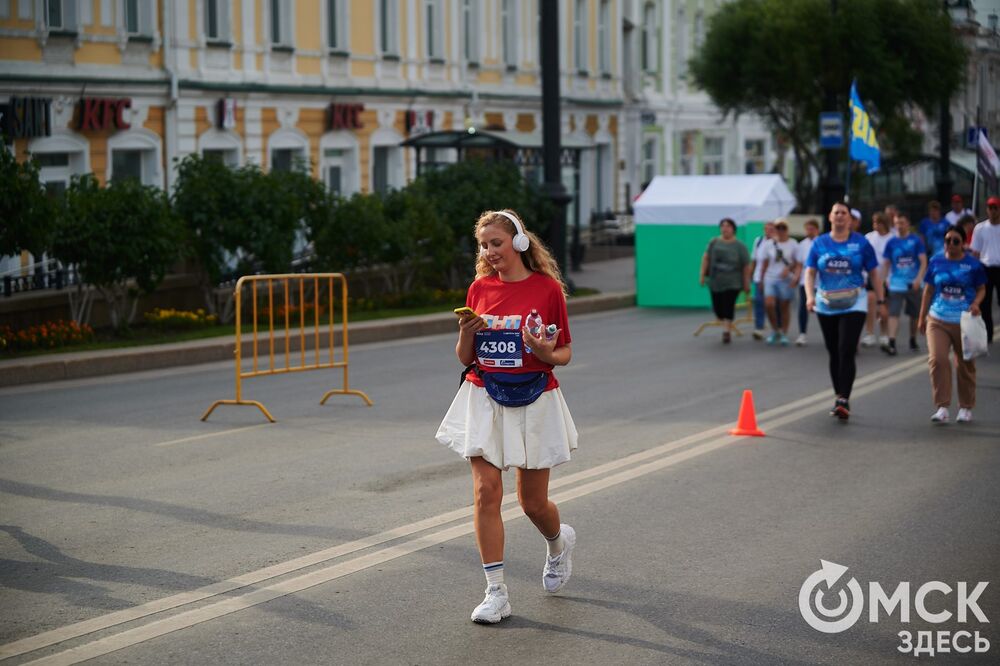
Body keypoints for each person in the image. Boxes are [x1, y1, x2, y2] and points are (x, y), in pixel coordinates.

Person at [436, 209, 578, 624]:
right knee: (486, 492)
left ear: (517, 242)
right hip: (483, 395)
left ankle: (557, 544)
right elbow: (466, 357)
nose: (489, 251)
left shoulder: (547, 289)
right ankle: (495, 592)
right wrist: (467, 333)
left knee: (533, 502)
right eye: (483, 245)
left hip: (535, 398)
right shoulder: (479, 288)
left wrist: (544, 350)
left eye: (496, 242)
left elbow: (564, 352)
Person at [805, 202, 886, 420]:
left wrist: (880, 300)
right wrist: (810, 297)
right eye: (836, 212)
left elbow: (875, 274)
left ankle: (844, 399)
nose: (840, 216)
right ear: (830, 217)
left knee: (846, 348)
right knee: (833, 351)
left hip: (855, 301)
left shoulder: (861, 243)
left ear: (850, 219)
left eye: (844, 213)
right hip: (826, 303)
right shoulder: (820, 243)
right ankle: (838, 394)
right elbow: (810, 272)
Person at [917, 224, 986, 423]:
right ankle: (942, 407)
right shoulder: (936, 261)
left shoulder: (973, 265)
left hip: (964, 321)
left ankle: (965, 407)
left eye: (956, 241)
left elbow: (981, 289)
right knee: (937, 360)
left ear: (963, 243)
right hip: (937, 318)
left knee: (965, 364)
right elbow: (928, 290)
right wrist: (922, 318)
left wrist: (975, 303)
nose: (951, 244)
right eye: (948, 240)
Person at [699, 217, 752, 344]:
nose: (725, 228)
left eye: (728, 226)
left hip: (733, 282)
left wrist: (746, 283)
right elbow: (706, 258)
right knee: (718, 308)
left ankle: (726, 331)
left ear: (733, 229)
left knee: (728, 305)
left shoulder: (740, 246)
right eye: (723, 226)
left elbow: (746, 265)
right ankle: (724, 321)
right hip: (715, 281)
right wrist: (701, 275)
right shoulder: (714, 242)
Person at [881, 214, 927, 355]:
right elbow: (886, 262)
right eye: (896, 223)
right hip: (896, 284)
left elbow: (923, 261)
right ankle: (892, 342)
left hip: (913, 283)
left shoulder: (916, 241)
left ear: (908, 224)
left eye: (902, 223)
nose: (899, 226)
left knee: (914, 315)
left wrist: (919, 279)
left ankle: (912, 339)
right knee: (893, 313)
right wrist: (885, 279)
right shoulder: (891, 242)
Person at [761, 219, 798, 345]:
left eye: (783, 228)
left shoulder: (793, 243)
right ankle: (775, 329)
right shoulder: (769, 244)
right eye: (778, 228)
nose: (781, 230)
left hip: (785, 279)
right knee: (769, 304)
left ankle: (783, 333)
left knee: (784, 306)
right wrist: (760, 280)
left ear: (787, 229)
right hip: (770, 278)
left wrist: (790, 270)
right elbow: (764, 263)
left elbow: (797, 262)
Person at [970, 196, 1000, 344]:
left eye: (995, 208)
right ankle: (987, 334)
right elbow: (975, 252)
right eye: (990, 208)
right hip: (985, 268)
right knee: (985, 304)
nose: (993, 211)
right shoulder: (980, 228)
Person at [862, 212, 892, 348]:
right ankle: (869, 333)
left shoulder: (892, 239)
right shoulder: (868, 237)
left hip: (887, 278)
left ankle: (884, 334)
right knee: (871, 302)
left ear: (884, 224)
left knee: (884, 308)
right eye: (874, 222)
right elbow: (863, 258)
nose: (875, 225)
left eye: (878, 223)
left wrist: (889, 278)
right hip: (871, 276)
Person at [793, 218, 820, 346]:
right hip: (806, 282)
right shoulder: (802, 245)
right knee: (803, 308)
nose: (809, 231)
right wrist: (796, 278)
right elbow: (799, 264)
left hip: (820, 282)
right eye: (807, 229)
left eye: (812, 229)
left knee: (822, 309)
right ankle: (802, 334)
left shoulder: (822, 242)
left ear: (817, 229)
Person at [749, 221, 777, 340]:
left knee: (772, 305)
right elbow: (754, 260)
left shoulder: (777, 243)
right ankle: (759, 328)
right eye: (767, 229)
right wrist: (750, 275)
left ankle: (776, 328)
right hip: (758, 277)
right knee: (759, 302)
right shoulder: (758, 241)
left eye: (771, 229)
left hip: (773, 278)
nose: (769, 231)